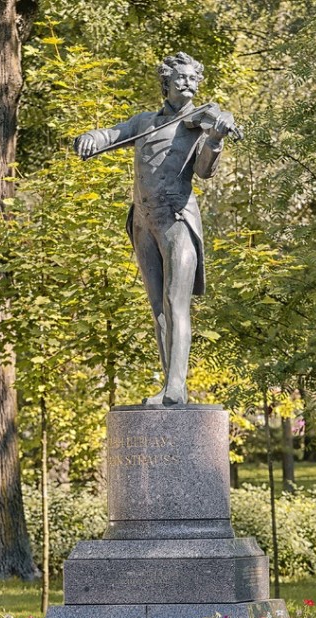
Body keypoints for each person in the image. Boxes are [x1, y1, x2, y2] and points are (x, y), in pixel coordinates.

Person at [75, 52, 237, 406]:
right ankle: (170, 387)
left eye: (193, 78)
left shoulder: (201, 122)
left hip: (177, 218)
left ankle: (175, 387)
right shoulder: (144, 122)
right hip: (143, 222)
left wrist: (215, 139)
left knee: (176, 301)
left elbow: (205, 171)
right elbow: (111, 134)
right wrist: (90, 137)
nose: (189, 83)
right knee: (157, 308)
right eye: (181, 78)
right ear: (166, 83)